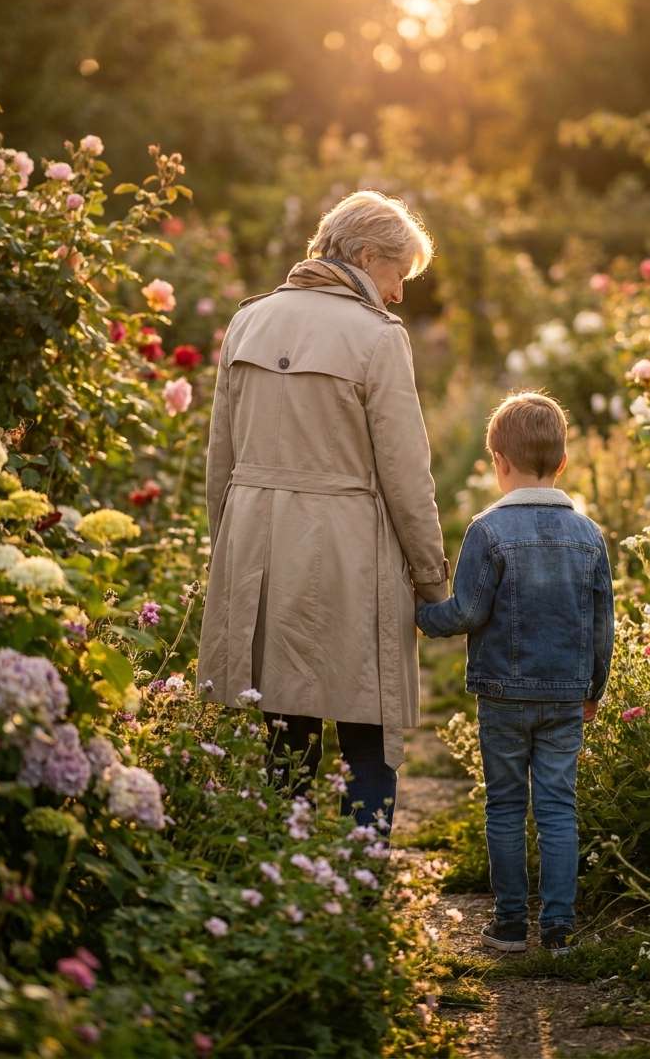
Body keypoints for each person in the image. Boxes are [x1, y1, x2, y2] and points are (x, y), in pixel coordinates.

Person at [198, 190, 449, 831]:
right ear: (367, 258)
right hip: (349, 553)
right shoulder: (377, 337)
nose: (397, 296)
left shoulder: (248, 321)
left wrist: (227, 547)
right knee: (367, 718)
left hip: (257, 544)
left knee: (283, 721)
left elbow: (220, 461)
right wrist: (431, 579)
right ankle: (361, 876)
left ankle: (284, 872)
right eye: (397, 277)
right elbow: (406, 475)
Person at [416, 391, 614, 956]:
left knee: (505, 804)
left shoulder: (487, 530)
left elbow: (469, 611)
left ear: (498, 461)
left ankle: (508, 926)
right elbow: (604, 626)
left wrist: (422, 617)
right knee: (557, 805)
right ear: (563, 463)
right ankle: (558, 928)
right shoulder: (589, 536)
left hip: (502, 694)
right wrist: (593, 690)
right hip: (566, 694)